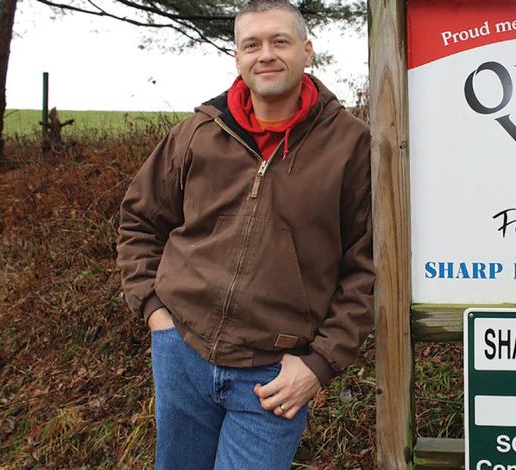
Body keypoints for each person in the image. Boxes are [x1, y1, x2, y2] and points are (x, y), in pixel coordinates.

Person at [116, 0, 373, 467]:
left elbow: (369, 266)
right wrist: (155, 312)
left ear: (308, 51)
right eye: (251, 44)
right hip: (183, 352)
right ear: (237, 56)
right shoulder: (198, 133)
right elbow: (139, 220)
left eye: (280, 41)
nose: (265, 54)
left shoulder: (351, 145)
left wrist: (320, 364)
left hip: (275, 375)